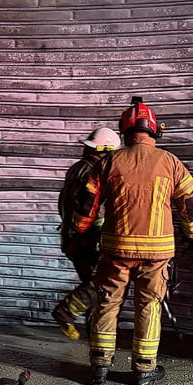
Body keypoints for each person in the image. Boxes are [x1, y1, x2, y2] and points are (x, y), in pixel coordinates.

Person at [72, 99, 193, 385]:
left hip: (116, 250)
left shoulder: (108, 162)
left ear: (124, 131)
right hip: (157, 254)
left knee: (107, 303)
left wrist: (80, 231)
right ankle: (144, 369)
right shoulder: (171, 163)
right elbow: (192, 204)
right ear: (155, 130)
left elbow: (86, 207)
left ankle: (100, 367)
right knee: (149, 305)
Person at [51, 126, 121, 339]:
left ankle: (97, 334)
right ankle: (66, 311)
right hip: (89, 238)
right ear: (105, 151)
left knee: (96, 288)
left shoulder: (77, 167)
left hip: (73, 238)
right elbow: (92, 209)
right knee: (105, 281)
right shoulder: (94, 172)